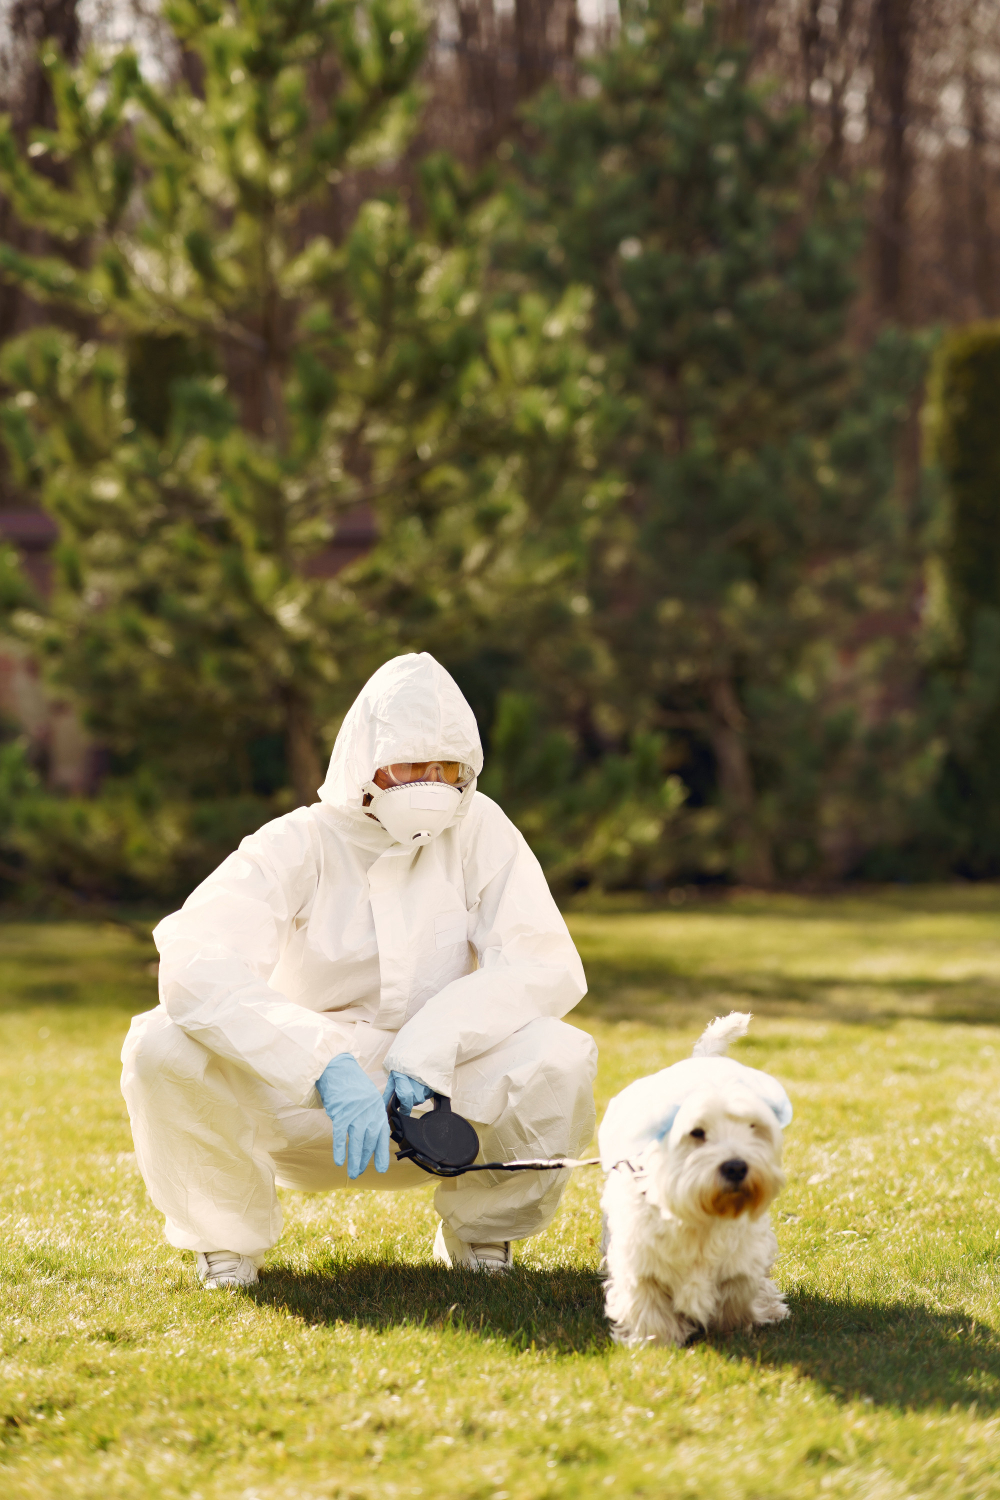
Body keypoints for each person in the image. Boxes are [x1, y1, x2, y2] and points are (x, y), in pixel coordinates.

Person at [121, 653, 598, 1287]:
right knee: (161, 1042)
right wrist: (320, 1064)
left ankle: (484, 1236)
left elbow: (543, 963)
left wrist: (431, 1046)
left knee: (560, 1053)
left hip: (439, 1093)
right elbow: (194, 959)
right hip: (306, 1097)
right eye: (411, 765)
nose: (430, 784)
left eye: (446, 768)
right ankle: (227, 1243)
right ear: (364, 763)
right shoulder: (298, 842)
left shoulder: (482, 829)